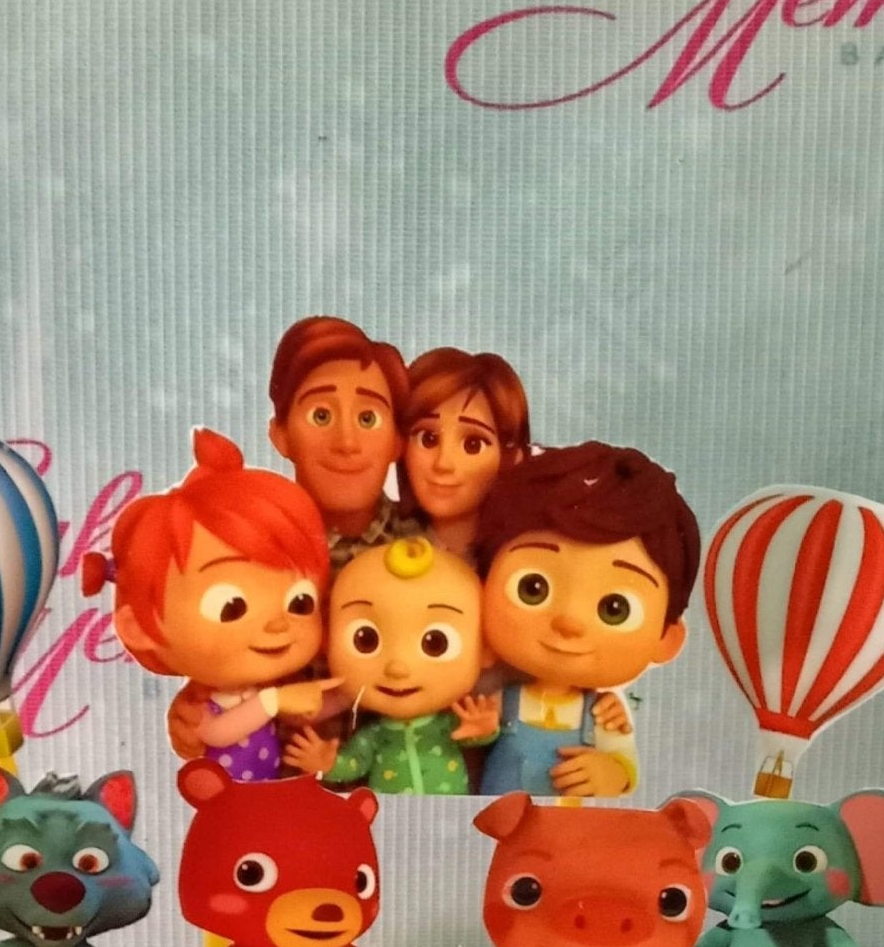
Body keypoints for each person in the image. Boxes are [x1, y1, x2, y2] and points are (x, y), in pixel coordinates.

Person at [102, 428, 332, 781]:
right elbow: (216, 734)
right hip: (225, 796)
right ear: (138, 628)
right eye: (231, 607)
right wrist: (274, 702)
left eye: (300, 602)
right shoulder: (206, 705)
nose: (278, 624)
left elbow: (306, 710)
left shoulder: (267, 689)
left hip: (273, 788)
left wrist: (350, 694)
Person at [476, 441, 699, 799]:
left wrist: (612, 773)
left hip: (568, 824)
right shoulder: (504, 698)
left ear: (666, 640)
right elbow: (479, 738)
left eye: (614, 608)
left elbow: (623, 762)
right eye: (533, 588)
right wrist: (480, 728)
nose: (569, 621)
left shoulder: (603, 713)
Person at [284, 536, 499, 795]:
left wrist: (485, 729)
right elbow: (354, 765)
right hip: (389, 817)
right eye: (366, 640)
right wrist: (327, 764)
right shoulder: (374, 735)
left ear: (485, 647)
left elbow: (473, 737)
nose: (398, 667)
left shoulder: (447, 724)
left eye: (436, 643)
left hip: (447, 815)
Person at [267, 315, 422, 566]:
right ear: (280, 434)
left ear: (397, 442)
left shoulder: (427, 545)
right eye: (321, 416)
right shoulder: (257, 546)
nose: (347, 443)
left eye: (367, 419)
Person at [399, 347, 531, 559]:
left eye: (473, 445)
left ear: (513, 455)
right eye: (428, 438)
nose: (443, 463)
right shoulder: (380, 545)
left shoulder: (524, 554)